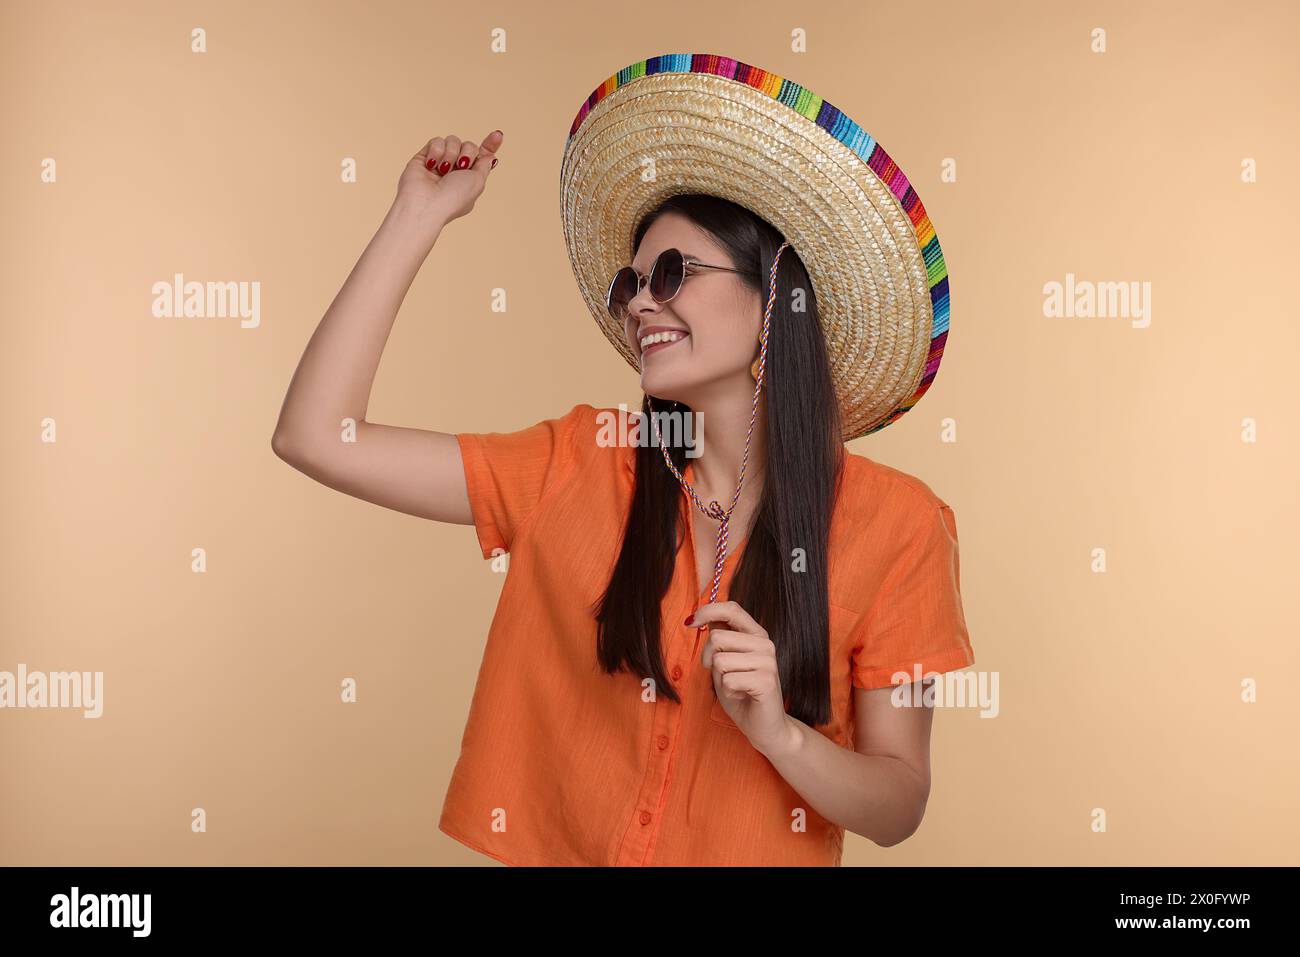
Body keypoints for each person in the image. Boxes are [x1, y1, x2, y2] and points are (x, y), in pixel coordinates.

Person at [272, 53, 975, 867]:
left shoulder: (901, 525)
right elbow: (317, 436)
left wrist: (782, 735)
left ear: (774, 298)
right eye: (631, 281)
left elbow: (898, 801)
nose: (642, 300)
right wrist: (415, 217)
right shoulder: (577, 462)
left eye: (673, 273)